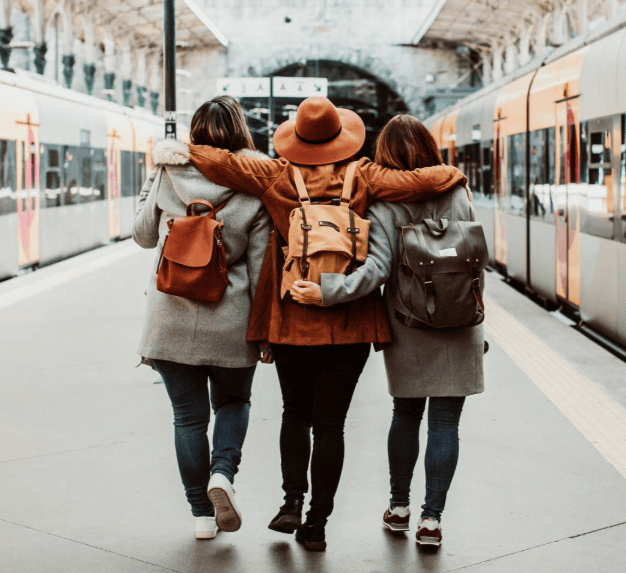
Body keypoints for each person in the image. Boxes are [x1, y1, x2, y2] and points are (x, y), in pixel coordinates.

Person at [185, 96, 469, 551]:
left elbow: (220, 164)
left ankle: (291, 502)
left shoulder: (274, 174)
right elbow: (419, 182)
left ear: (296, 138)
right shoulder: (365, 175)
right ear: (343, 137)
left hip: (292, 315)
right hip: (350, 321)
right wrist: (451, 173)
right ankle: (317, 523)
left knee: (294, 414)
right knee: (330, 425)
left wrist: (183, 150)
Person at [292, 114, 484, 548]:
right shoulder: (457, 189)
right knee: (446, 424)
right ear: (429, 149)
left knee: (407, 414)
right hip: (460, 321)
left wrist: (327, 291)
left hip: (409, 321)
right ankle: (431, 521)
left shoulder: (383, 202)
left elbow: (376, 271)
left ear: (384, 156)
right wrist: (473, 315)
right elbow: (474, 258)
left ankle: (399, 509)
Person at [132, 96, 271, 541]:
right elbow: (260, 263)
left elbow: (142, 236)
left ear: (193, 132)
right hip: (231, 317)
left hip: (170, 317)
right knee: (232, 403)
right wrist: (264, 329)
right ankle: (222, 475)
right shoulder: (255, 182)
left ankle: (201, 517)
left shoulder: (168, 170)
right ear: (241, 132)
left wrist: (152, 186)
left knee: (187, 419)